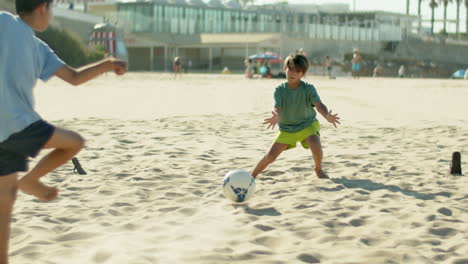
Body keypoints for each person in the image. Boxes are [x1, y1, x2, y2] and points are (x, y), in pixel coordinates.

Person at [0, 1, 127, 263]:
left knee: (5, 198)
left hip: (6, 131)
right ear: (42, 8)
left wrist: (105, 64)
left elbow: (73, 76)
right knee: (74, 143)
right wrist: (108, 64)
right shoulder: (28, 39)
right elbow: (74, 77)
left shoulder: (21, 34)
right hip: (19, 125)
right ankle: (30, 181)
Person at [251, 53, 340, 180]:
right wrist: (276, 116)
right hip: (287, 128)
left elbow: (319, 105)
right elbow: (277, 107)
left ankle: (318, 168)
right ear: (285, 69)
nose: (293, 73)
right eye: (290, 69)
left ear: (302, 74)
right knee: (271, 155)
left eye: (297, 71)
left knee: (316, 146)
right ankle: (252, 175)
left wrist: (326, 115)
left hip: (307, 124)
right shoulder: (280, 90)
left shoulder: (308, 89)